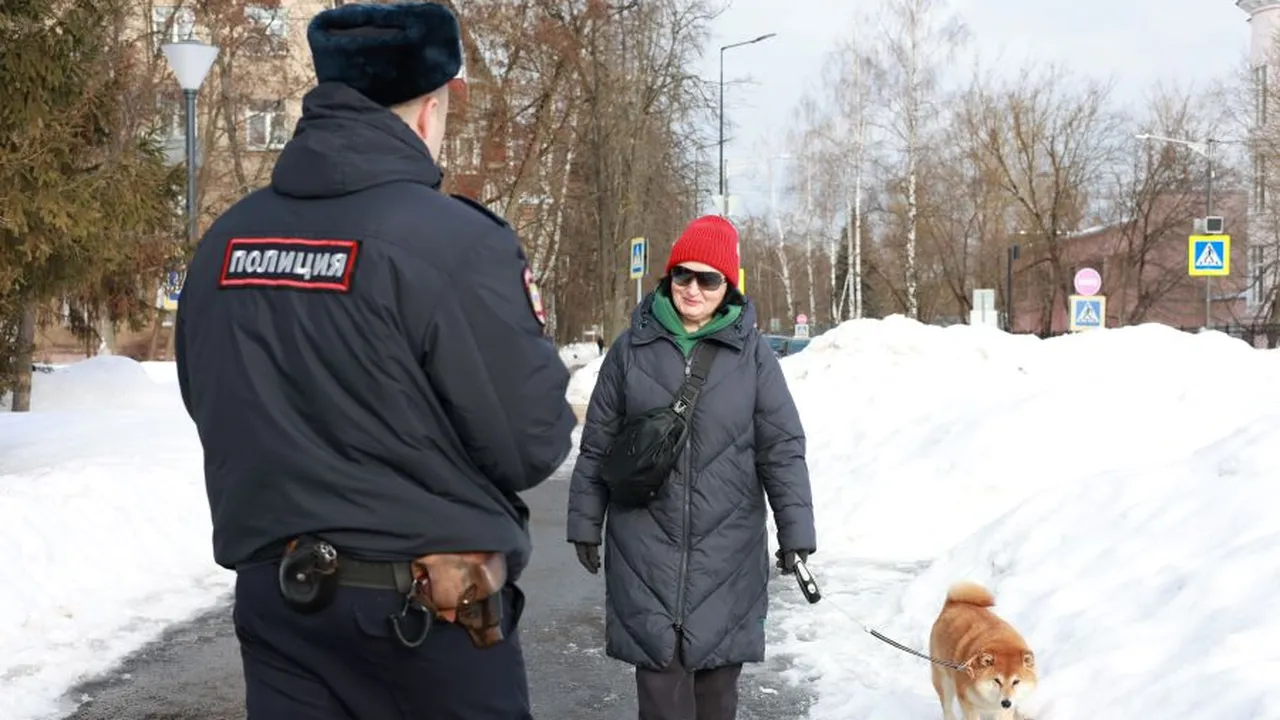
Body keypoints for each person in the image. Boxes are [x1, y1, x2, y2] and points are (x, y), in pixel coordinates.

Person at [173, 3, 576, 718]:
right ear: (427, 111)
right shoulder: (455, 244)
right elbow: (531, 443)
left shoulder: (226, 244)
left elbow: (208, 398)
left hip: (282, 605)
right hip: (428, 622)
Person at [565, 215, 817, 719]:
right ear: (669, 276)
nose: (694, 289)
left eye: (709, 279)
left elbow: (782, 448)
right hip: (644, 546)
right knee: (660, 695)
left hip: (728, 553)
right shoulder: (629, 349)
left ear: (727, 286)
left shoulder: (754, 358)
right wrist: (584, 522)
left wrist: (797, 535)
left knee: (716, 696)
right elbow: (597, 443)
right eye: (684, 275)